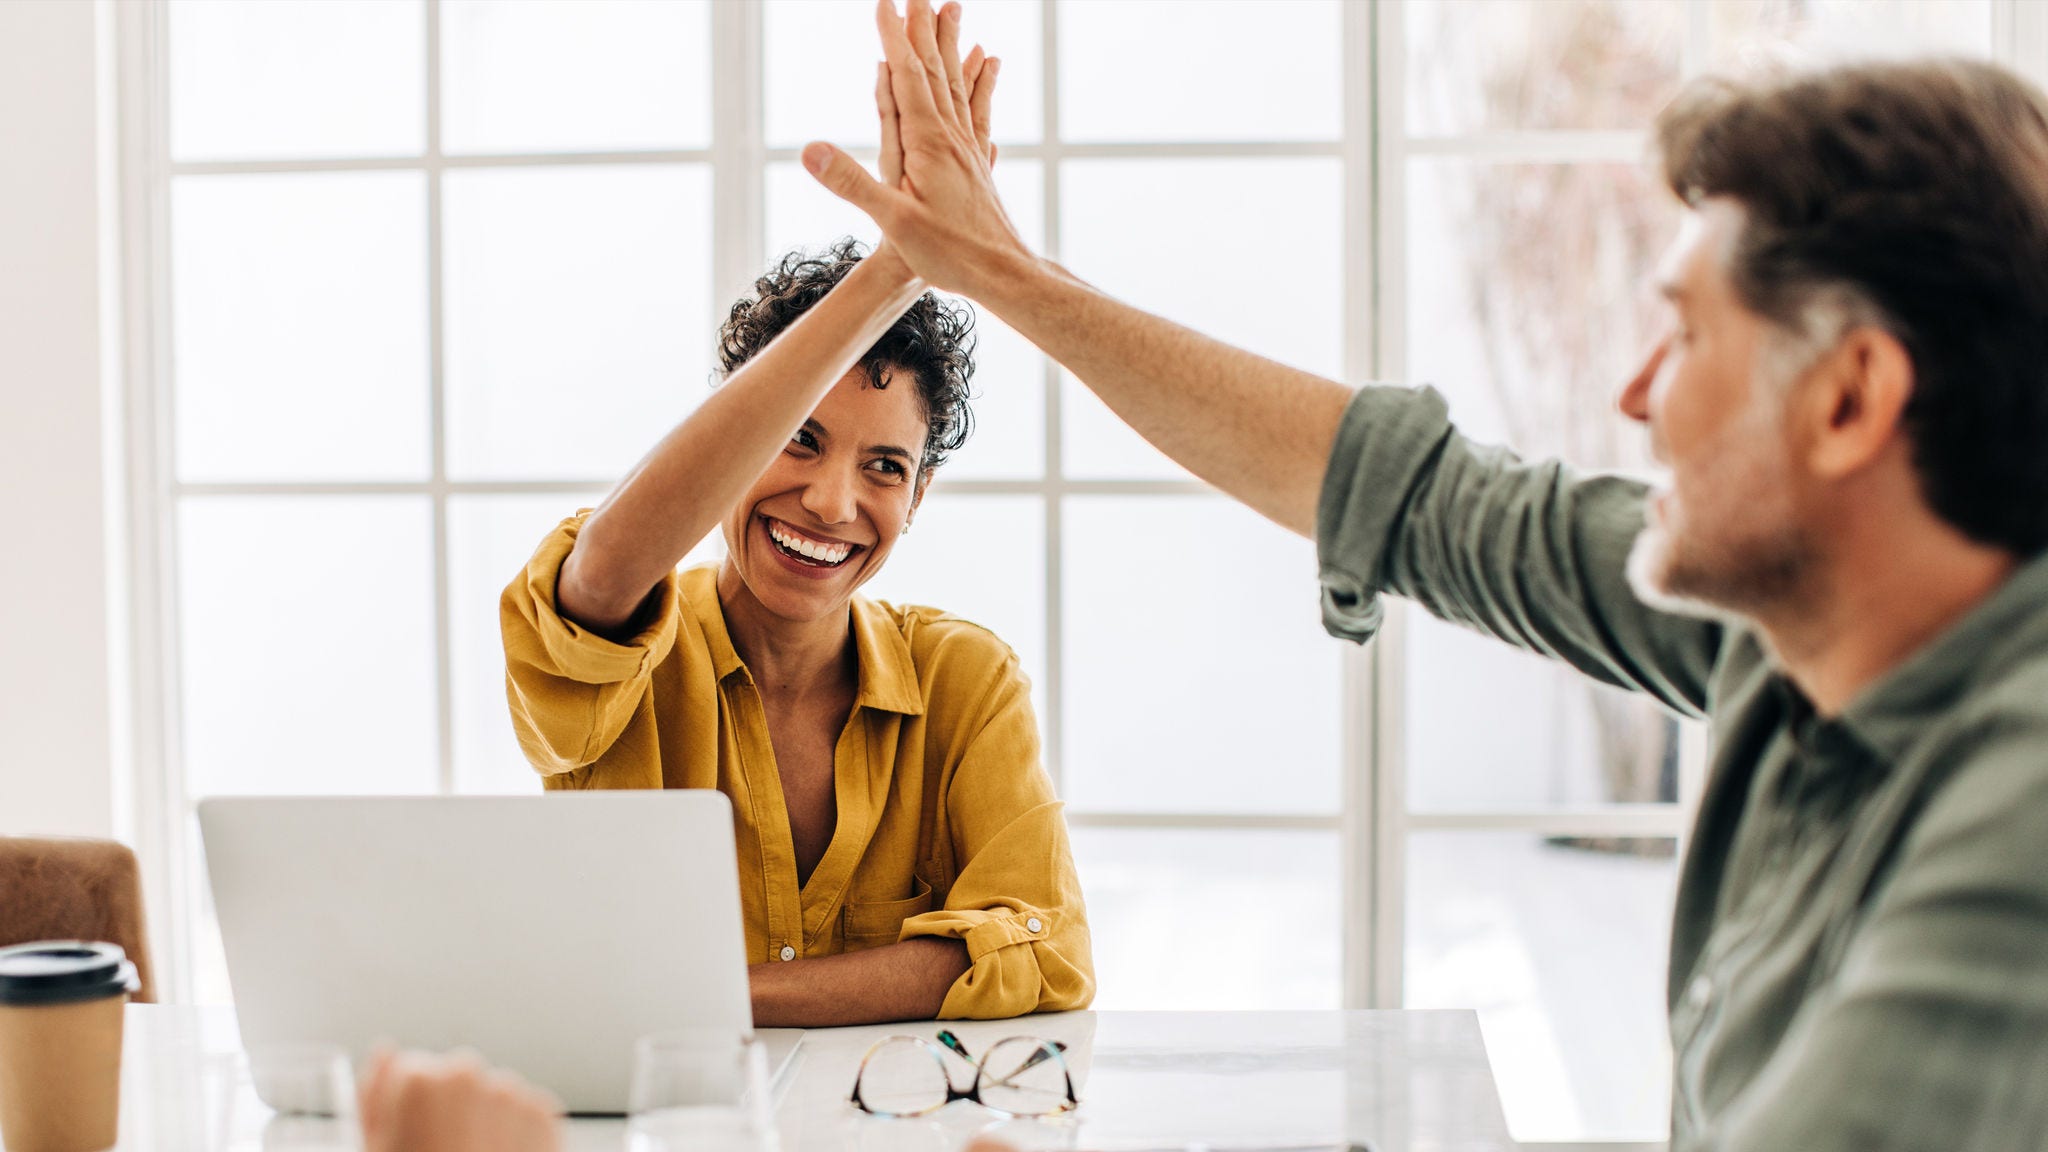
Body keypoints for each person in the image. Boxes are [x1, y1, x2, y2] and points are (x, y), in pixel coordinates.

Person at [802, 2, 2048, 1147]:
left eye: (1684, 334)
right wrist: (1000, 274)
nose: (1633, 396)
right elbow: (1402, 490)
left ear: (1847, 399)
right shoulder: (1794, 627)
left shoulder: (2015, 822)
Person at [500, 54, 1091, 1028]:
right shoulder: (628, 660)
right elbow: (597, 578)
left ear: (919, 492)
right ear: (728, 444)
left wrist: (710, 1001)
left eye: (883, 468)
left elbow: (1043, 946)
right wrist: (895, 265)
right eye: (793, 440)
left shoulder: (963, 680)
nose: (829, 502)